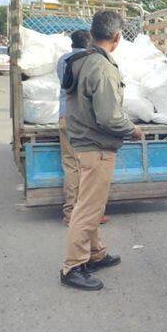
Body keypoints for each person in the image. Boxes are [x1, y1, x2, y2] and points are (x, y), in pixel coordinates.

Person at [60, 10, 144, 291]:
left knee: (91, 204)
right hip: (96, 146)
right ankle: (73, 266)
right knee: (87, 208)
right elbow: (109, 117)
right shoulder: (102, 67)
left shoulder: (81, 59)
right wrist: (132, 129)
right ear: (117, 37)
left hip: (84, 142)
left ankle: (95, 253)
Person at [55, 29, 110, 226]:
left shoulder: (63, 60)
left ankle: (70, 213)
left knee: (70, 166)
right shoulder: (91, 61)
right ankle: (91, 214)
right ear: (90, 43)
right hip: (84, 121)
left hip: (64, 117)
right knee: (90, 168)